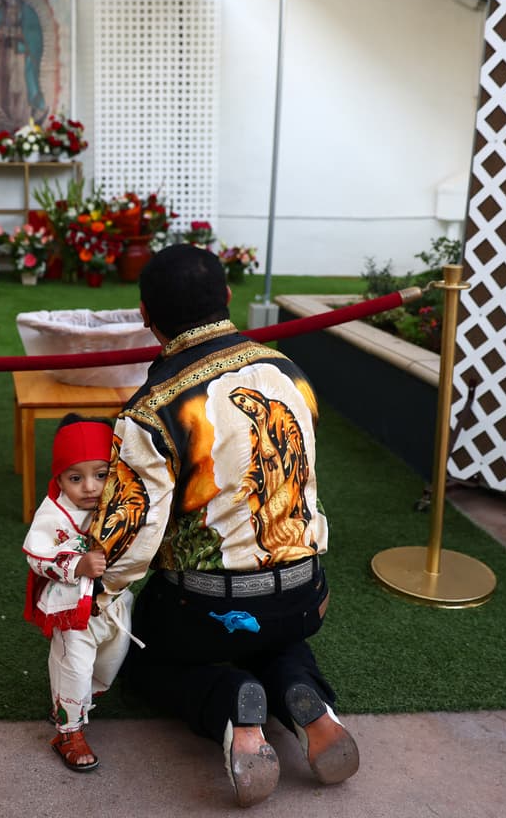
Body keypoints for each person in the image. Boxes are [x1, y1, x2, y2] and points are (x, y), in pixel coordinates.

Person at [88, 245, 359, 808]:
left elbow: (131, 539)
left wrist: (92, 589)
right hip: (306, 595)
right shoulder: (290, 373)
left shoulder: (152, 407)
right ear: (228, 298)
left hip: (205, 611)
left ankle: (232, 703)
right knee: (271, 638)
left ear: (144, 314)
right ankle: (305, 698)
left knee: (146, 659)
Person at [23, 415, 136, 773]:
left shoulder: (122, 504)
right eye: (76, 478)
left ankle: (78, 702)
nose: (89, 487)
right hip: (73, 611)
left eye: (101, 475)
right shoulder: (54, 511)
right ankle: (68, 732)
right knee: (73, 665)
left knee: (110, 657)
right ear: (59, 480)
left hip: (113, 605)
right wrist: (77, 564)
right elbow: (36, 552)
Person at [0, 0, 46, 132]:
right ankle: (3, 117)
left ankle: (21, 118)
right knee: (3, 86)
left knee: (19, 86)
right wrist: (0, 33)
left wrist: (17, 34)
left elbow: (34, 36)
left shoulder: (27, 12)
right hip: (3, 56)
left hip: (20, 56)